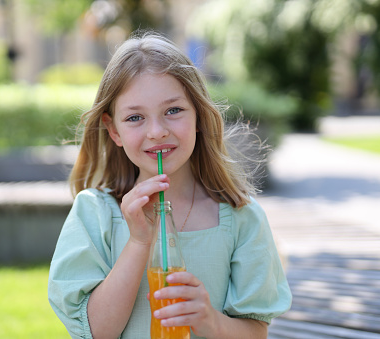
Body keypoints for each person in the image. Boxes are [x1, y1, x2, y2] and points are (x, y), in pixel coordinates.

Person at [48, 31, 292, 339]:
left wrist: (211, 321)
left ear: (199, 116)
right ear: (114, 131)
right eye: (135, 117)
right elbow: (95, 332)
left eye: (173, 110)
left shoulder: (241, 217)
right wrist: (138, 242)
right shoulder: (95, 214)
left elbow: (256, 332)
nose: (157, 131)